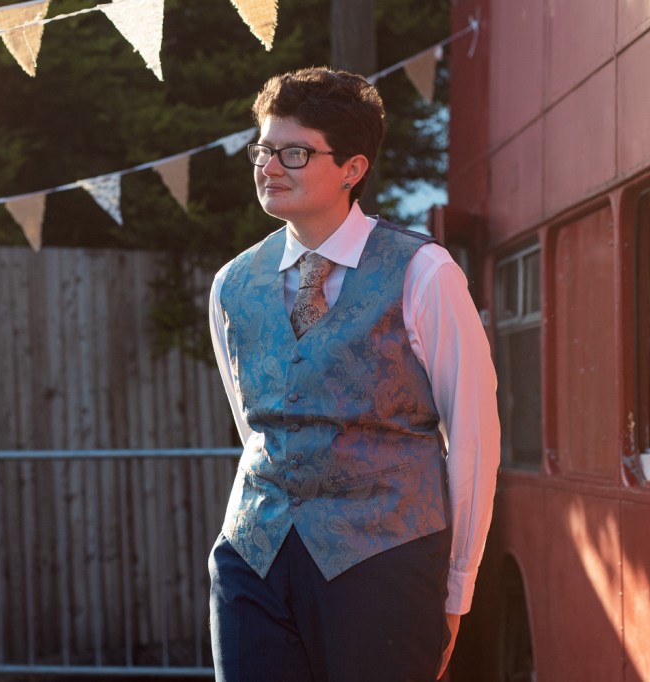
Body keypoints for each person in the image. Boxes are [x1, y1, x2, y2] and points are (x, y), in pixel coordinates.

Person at [207, 66, 500, 681]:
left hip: (384, 559)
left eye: (294, 152)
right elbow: (254, 425)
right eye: (263, 149)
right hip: (253, 558)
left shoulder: (424, 271)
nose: (269, 166)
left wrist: (458, 588)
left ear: (352, 168)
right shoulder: (232, 283)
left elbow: (473, 437)